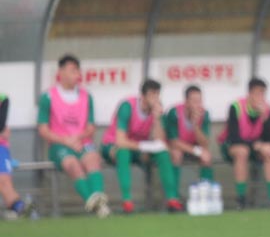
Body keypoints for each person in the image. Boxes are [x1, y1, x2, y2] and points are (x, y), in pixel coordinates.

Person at [37, 54, 110, 217]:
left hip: (82, 142)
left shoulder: (86, 96)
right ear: (61, 72)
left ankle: (98, 201)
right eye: (72, 70)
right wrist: (66, 140)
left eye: (77, 70)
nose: (77, 74)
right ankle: (97, 205)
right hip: (59, 145)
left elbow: (91, 127)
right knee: (73, 165)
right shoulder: (48, 96)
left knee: (92, 159)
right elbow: (43, 129)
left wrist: (78, 138)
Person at [101, 79, 183, 214]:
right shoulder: (127, 106)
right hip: (112, 145)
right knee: (123, 152)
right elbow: (121, 141)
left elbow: (159, 141)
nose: (155, 98)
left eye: (157, 94)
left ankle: (172, 199)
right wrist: (145, 146)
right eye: (152, 94)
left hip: (138, 148)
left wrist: (157, 119)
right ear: (143, 96)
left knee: (163, 153)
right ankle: (127, 201)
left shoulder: (157, 110)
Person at [218, 77, 270, 210]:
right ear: (249, 94)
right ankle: (241, 199)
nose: (260, 97)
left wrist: (265, 119)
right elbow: (234, 137)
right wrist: (256, 145)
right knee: (242, 152)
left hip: (256, 147)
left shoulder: (268, 110)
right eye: (257, 93)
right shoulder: (236, 107)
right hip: (232, 146)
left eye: (263, 93)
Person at [164, 85, 214, 186]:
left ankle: (205, 189)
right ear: (186, 102)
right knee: (176, 154)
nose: (198, 105)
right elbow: (173, 142)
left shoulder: (204, 114)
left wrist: (195, 125)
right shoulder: (174, 113)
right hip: (177, 147)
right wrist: (197, 151)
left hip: (193, 146)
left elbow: (205, 143)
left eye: (200, 101)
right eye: (194, 101)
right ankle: (173, 192)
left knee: (207, 157)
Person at [0, 93, 34, 219]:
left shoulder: (2, 99)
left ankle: (20, 208)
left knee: (4, 181)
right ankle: (20, 208)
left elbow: (4, 99)